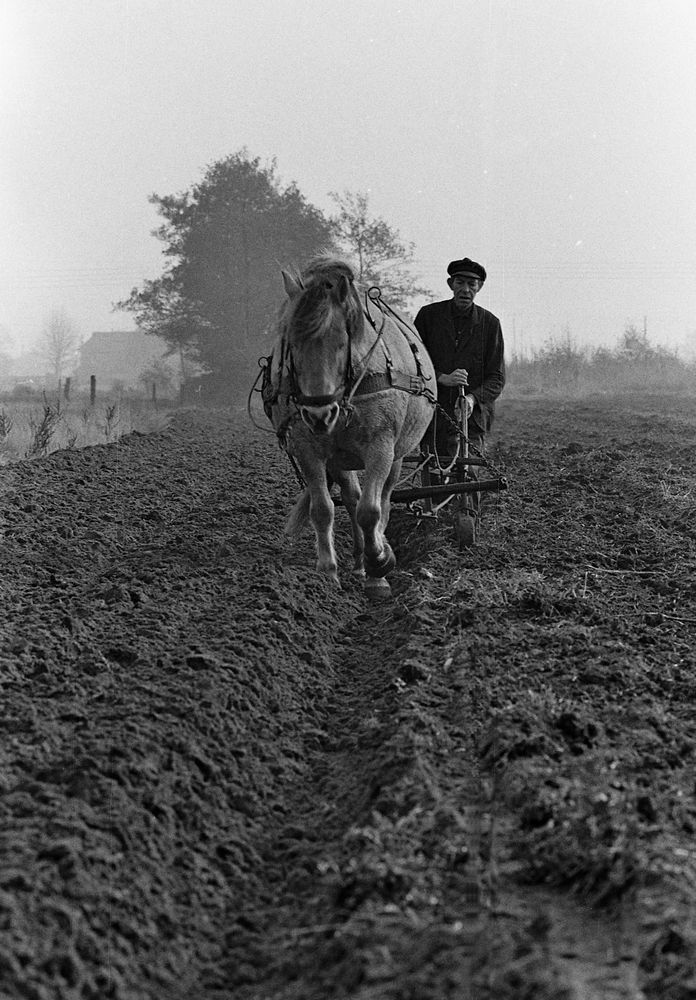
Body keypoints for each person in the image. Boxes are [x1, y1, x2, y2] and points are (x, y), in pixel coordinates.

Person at [414, 257, 506, 512]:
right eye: (460, 282)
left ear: (480, 287)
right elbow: (414, 361)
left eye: (472, 284)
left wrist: (472, 398)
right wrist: (441, 377)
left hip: (472, 415)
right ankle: (433, 516)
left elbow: (497, 377)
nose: (466, 289)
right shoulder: (428, 317)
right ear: (450, 284)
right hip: (432, 410)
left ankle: (467, 516)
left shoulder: (490, 324)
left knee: (469, 468)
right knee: (433, 464)